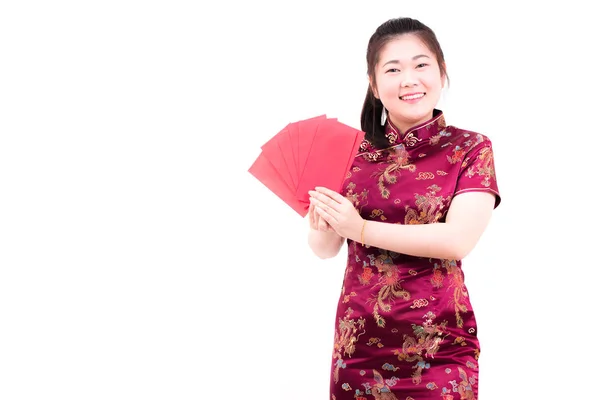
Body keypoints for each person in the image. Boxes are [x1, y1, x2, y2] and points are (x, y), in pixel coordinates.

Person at [307, 17, 501, 400]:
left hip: (440, 345)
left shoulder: (471, 148)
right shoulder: (349, 152)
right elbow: (324, 248)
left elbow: (457, 240)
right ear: (375, 86)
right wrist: (323, 222)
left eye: (420, 65)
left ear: (442, 73)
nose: (409, 79)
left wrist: (357, 227)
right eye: (393, 69)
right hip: (358, 346)